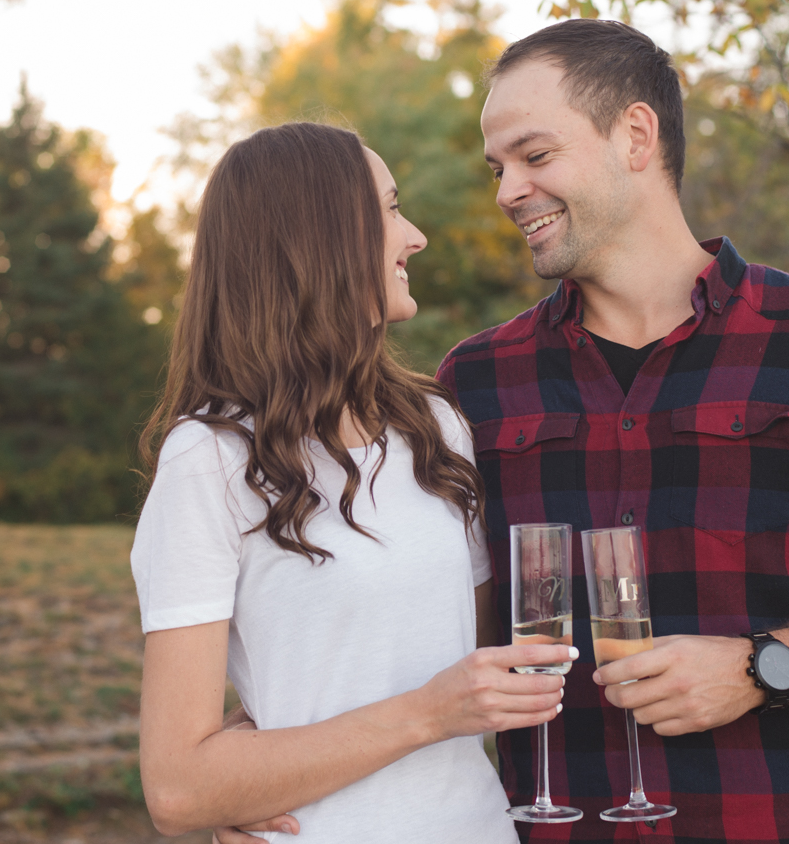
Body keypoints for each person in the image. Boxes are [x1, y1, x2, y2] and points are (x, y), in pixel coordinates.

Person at [435, 19, 789, 842]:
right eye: (498, 167)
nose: (507, 190)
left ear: (636, 135)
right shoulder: (475, 383)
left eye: (534, 156)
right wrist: (284, 753)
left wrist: (762, 667)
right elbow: (424, 621)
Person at [133, 121, 575, 844]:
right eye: (392, 209)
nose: (417, 235)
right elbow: (179, 789)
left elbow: (476, 654)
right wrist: (424, 713)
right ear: (318, 241)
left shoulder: (434, 426)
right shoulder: (208, 460)